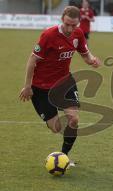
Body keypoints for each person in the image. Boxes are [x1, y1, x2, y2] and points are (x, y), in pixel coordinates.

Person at [19, 6, 101, 166]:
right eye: (67, 24)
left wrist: (91, 59)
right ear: (62, 18)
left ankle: (64, 156)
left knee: (74, 119)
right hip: (41, 87)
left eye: (74, 25)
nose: (70, 28)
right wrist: (27, 86)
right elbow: (32, 60)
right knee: (56, 128)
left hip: (64, 82)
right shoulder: (49, 35)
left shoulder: (78, 33)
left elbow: (84, 53)